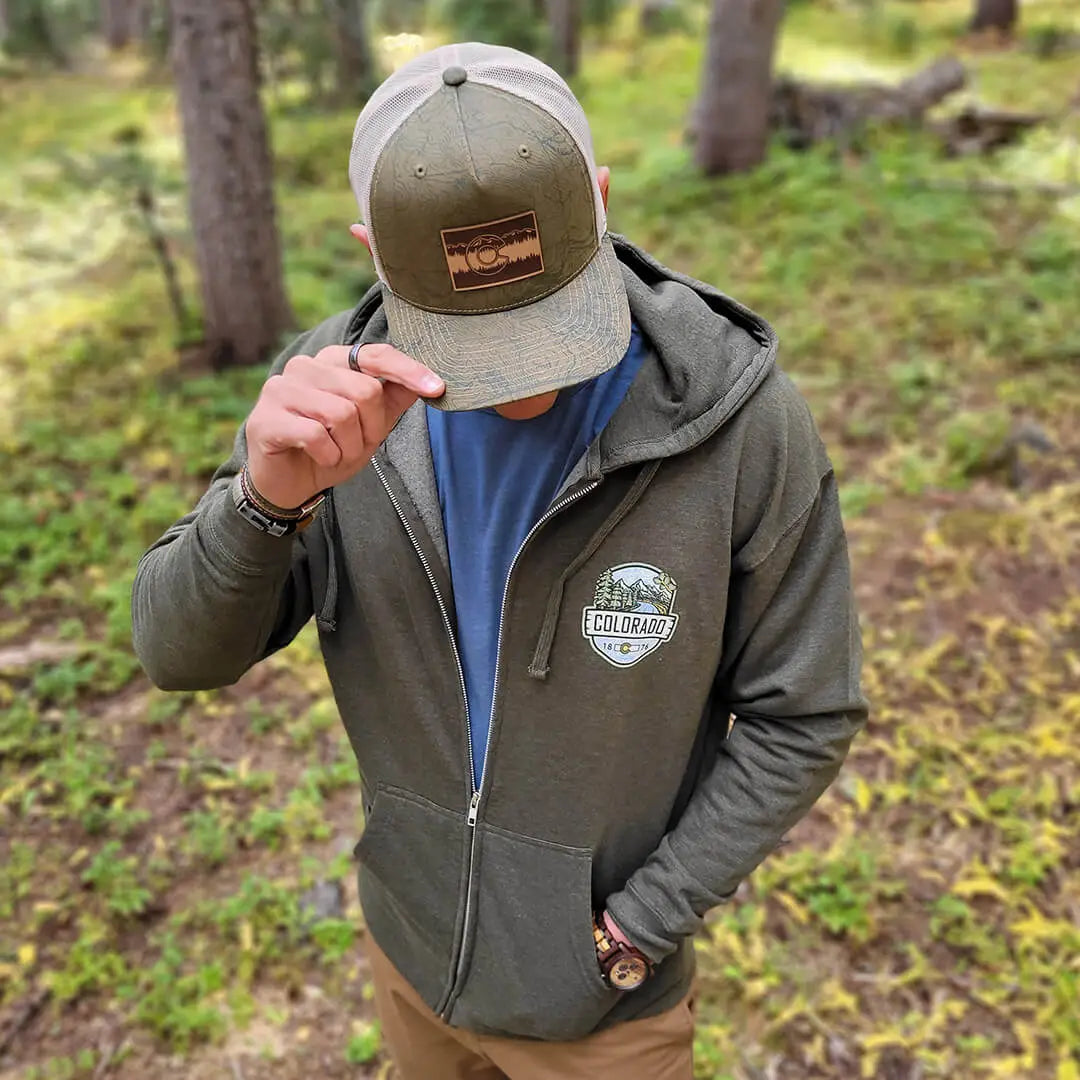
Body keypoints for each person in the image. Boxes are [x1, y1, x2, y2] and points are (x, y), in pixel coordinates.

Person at [132, 42, 867, 1080]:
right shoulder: (327, 402)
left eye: (551, 319)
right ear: (374, 253)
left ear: (599, 198)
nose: (521, 385)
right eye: (471, 338)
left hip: (606, 1016)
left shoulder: (736, 423)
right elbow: (175, 652)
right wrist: (265, 502)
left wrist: (639, 927)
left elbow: (808, 710)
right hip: (414, 959)